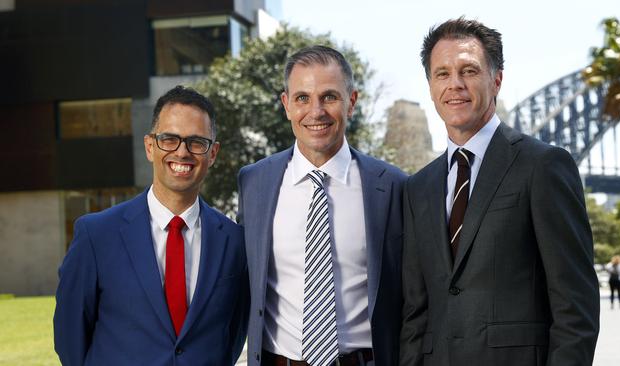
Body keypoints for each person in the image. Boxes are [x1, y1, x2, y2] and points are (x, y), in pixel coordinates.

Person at [400, 18, 600, 365]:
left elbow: (576, 307)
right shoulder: (418, 187)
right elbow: (416, 314)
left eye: (469, 71)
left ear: (497, 79)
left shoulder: (543, 166)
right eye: (442, 74)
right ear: (430, 85)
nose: (455, 85)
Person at [53, 86, 249, 365]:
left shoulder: (234, 242)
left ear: (213, 153)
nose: (182, 152)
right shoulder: (96, 235)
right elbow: (70, 338)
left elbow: (233, 335)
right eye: (169, 139)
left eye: (197, 142)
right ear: (149, 146)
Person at [238, 45, 407, 366]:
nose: (316, 111)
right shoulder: (253, 182)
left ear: (351, 102)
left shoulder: (392, 186)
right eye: (302, 98)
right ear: (286, 105)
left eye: (329, 97)